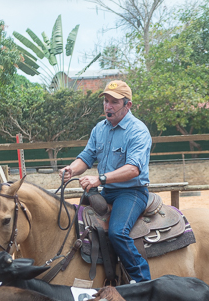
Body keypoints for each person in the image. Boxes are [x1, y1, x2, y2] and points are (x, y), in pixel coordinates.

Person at [60, 80, 152, 283]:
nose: (108, 106)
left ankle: (144, 283)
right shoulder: (99, 129)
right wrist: (71, 170)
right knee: (77, 225)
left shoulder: (138, 131)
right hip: (106, 190)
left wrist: (99, 178)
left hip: (132, 192)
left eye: (114, 102)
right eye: (106, 101)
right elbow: (86, 157)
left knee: (118, 232)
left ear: (128, 105)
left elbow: (133, 169)